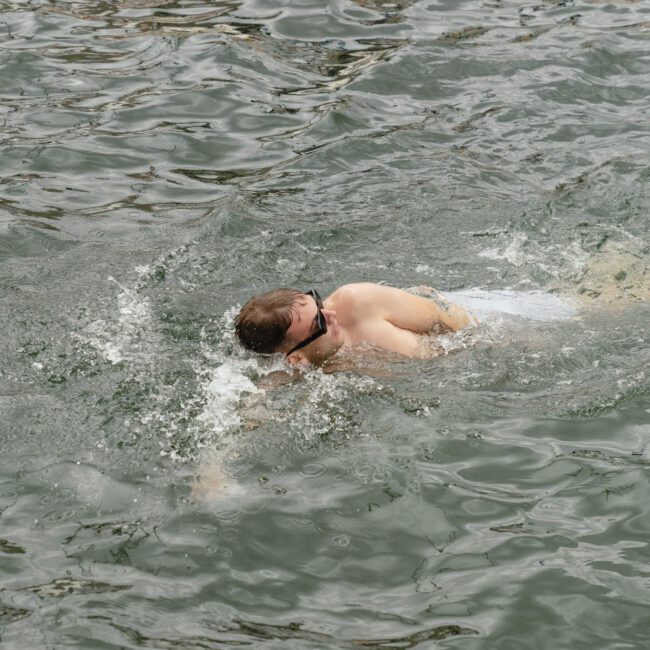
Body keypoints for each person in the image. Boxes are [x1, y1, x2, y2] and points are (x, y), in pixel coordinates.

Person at [235, 283, 473, 366]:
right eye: (319, 322)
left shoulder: (359, 302)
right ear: (296, 358)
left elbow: (443, 319)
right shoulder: (292, 376)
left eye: (317, 301)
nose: (330, 313)